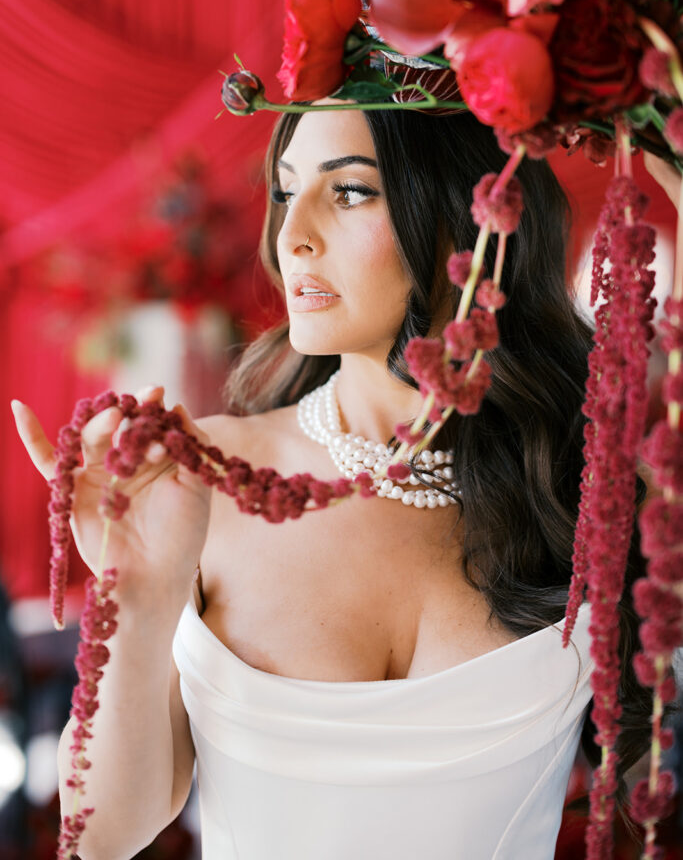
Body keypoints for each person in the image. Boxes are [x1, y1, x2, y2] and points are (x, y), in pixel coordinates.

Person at [12, 103, 680, 860]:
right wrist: (137, 595)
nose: (291, 236)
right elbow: (98, 837)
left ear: (470, 216)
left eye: (350, 190)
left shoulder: (587, 490)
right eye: (284, 192)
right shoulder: (202, 481)